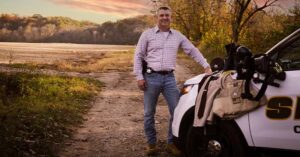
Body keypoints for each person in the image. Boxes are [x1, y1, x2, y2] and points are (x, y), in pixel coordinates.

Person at [133, 6, 212, 156]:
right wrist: (139, 77)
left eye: (167, 15)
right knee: (149, 112)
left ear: (171, 18)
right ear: (157, 17)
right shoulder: (147, 35)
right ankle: (151, 144)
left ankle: (171, 143)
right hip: (151, 78)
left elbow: (192, 50)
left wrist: (206, 66)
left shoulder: (177, 36)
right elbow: (138, 56)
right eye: (161, 15)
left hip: (169, 79)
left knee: (176, 111)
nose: (164, 18)